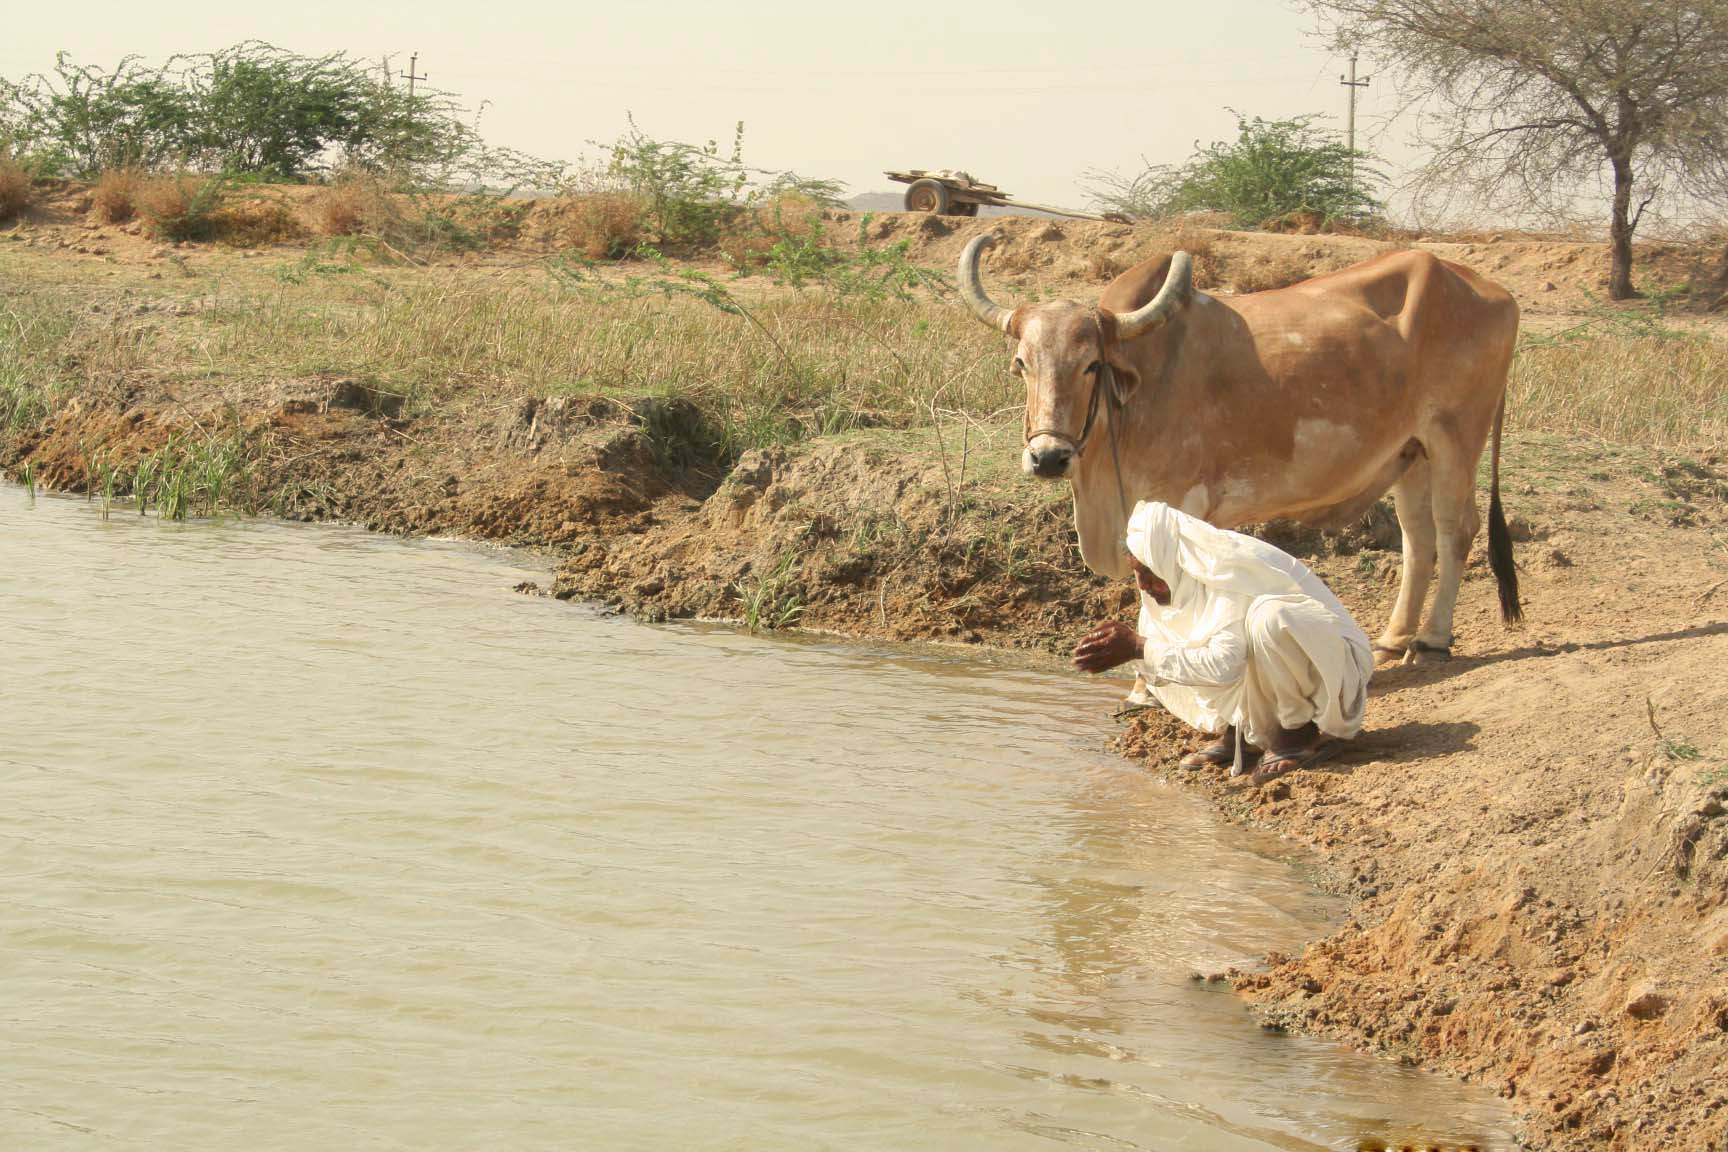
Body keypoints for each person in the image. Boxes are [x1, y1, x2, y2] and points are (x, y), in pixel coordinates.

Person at [1072, 501, 1373, 780]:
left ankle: (1298, 733)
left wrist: (1138, 647)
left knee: (1269, 619)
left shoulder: (1228, 568)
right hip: (1268, 672)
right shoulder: (1171, 586)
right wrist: (1131, 651)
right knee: (1176, 642)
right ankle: (1243, 732)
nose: (1142, 585)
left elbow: (1224, 666)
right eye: (1136, 573)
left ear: (1172, 561)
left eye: (1149, 573)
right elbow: (1163, 668)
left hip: (1336, 672)